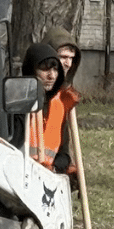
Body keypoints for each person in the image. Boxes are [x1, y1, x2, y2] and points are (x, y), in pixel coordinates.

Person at [20, 42, 76, 174]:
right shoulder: (18, 105)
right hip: (22, 174)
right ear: (31, 70)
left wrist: (54, 168)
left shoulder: (58, 106)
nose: (52, 76)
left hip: (47, 177)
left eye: (55, 69)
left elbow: (63, 154)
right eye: (45, 69)